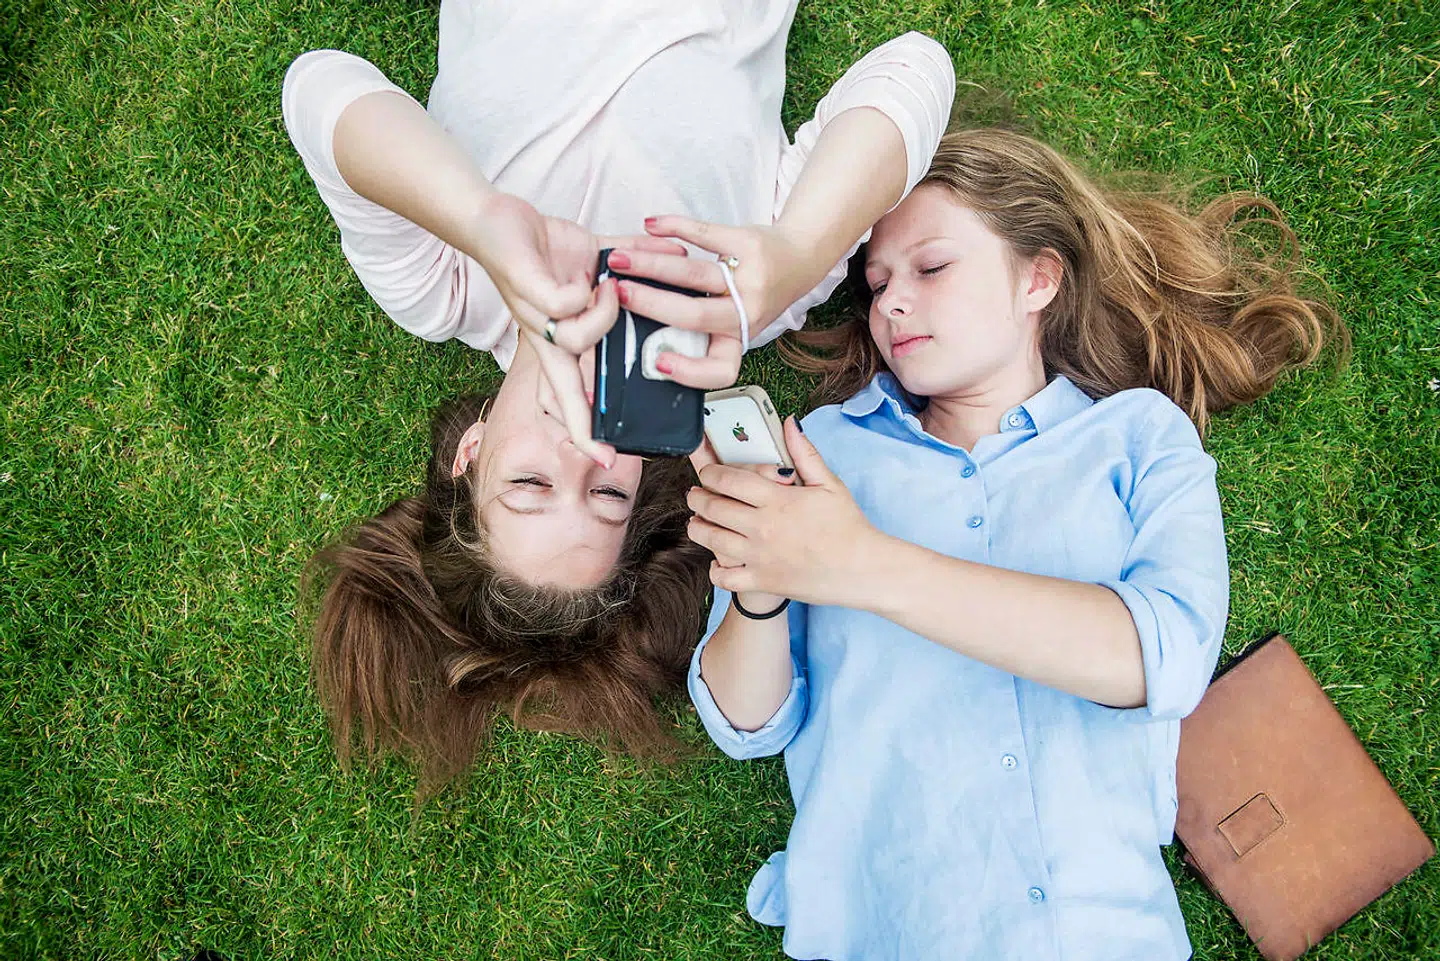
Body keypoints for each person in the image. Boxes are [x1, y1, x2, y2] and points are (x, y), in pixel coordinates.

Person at [683, 127, 1346, 959]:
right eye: (877, 283)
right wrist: (760, 591)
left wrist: (859, 563)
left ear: (1038, 278)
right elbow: (745, 724)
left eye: (931, 268)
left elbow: (1163, 659)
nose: (889, 304)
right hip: (884, 930)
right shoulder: (824, 450)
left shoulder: (1138, 437)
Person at [282, 6, 955, 793]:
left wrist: (483, 220)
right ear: (642, 471)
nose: (583, 453)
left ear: (472, 452)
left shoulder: (448, 286)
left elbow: (318, 86)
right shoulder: (741, 298)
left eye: (531, 482)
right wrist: (797, 251)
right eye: (605, 494)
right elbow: (915, 68)